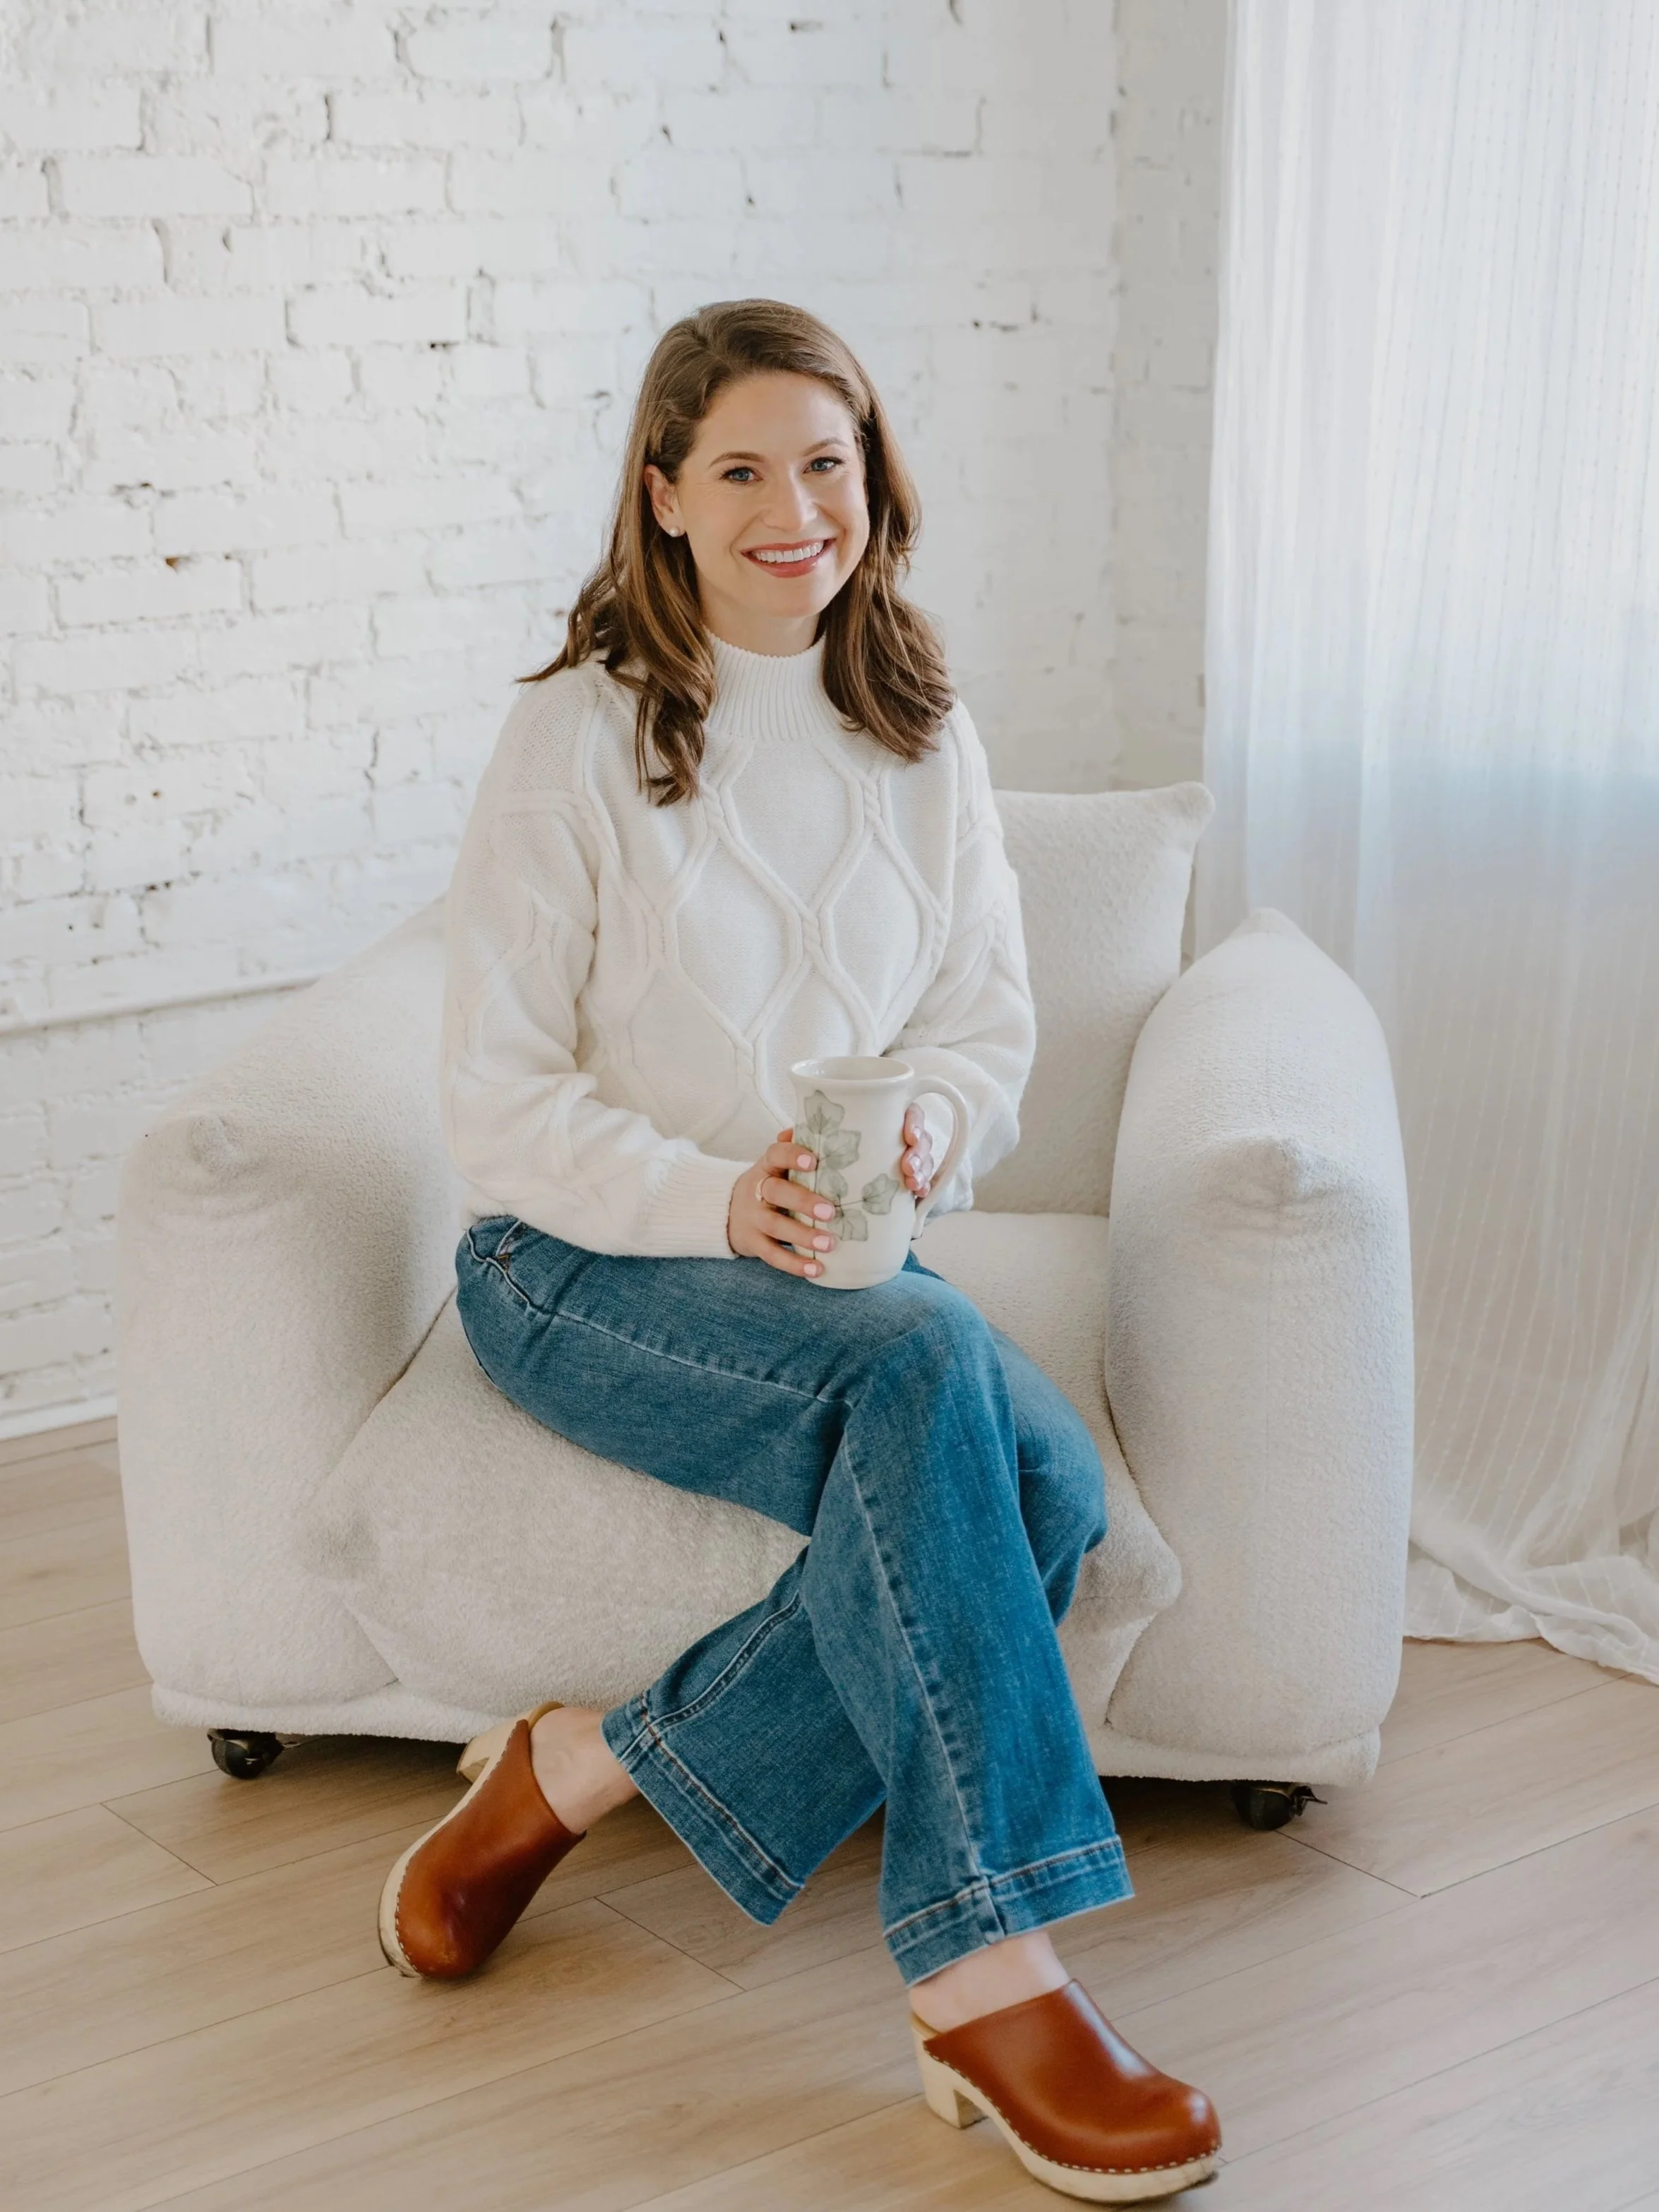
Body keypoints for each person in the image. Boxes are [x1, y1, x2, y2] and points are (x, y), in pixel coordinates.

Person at [376, 299, 1220, 2201]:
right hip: (577, 1263)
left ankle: (575, 1771)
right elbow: (497, 1102)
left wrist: (922, 1132)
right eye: (740, 468)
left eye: (823, 463)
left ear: (873, 481)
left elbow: (981, 1022)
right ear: (662, 495)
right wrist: (709, 1202)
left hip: (832, 1256)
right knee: (937, 1382)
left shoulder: (919, 721)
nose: (791, 507)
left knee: (1040, 1485)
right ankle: (984, 1970)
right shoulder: (571, 737)